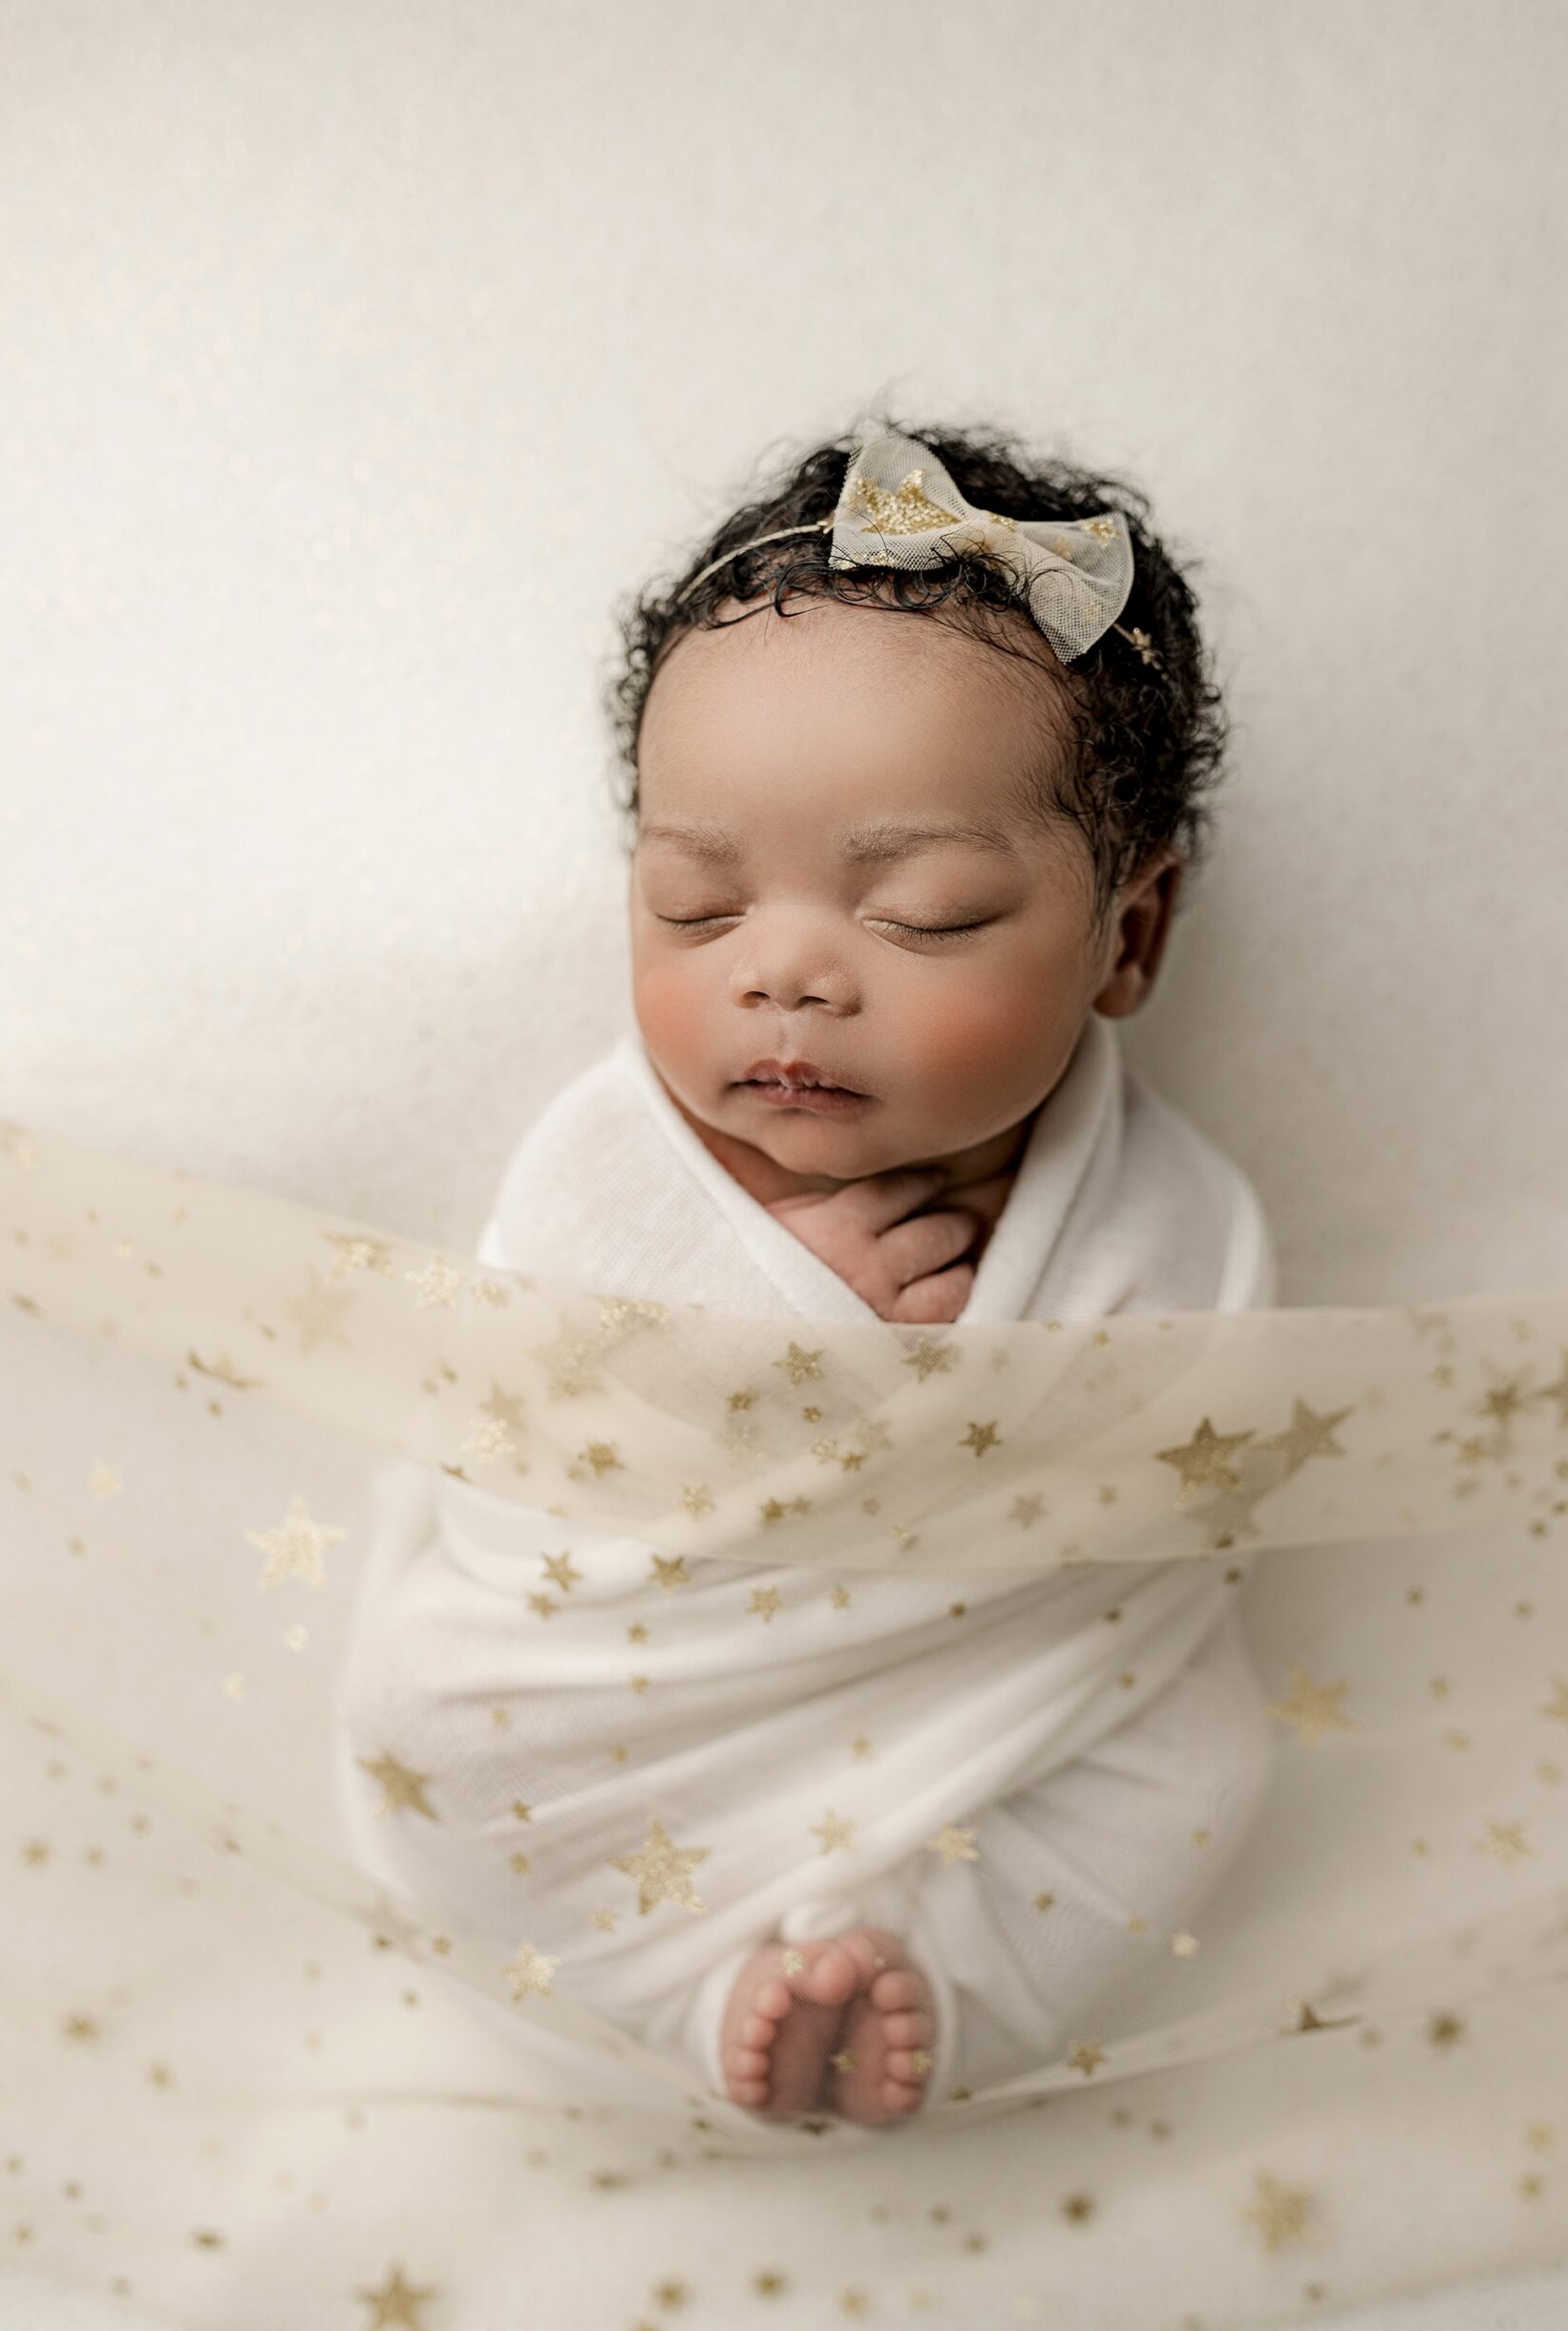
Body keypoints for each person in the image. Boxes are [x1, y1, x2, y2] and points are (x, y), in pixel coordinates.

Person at [334, 411, 1280, 2130]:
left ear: (1127, 935)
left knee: (1208, 1773)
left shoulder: (1182, 1228)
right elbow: (520, 1431)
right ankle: (690, 2007)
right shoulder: (602, 1172)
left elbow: (1168, 1516)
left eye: (915, 913)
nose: (783, 976)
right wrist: (776, 1345)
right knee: (433, 1724)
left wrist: (973, 1418)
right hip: (633, 1696)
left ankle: (928, 1971)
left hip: (995, 1703)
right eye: (698, 906)